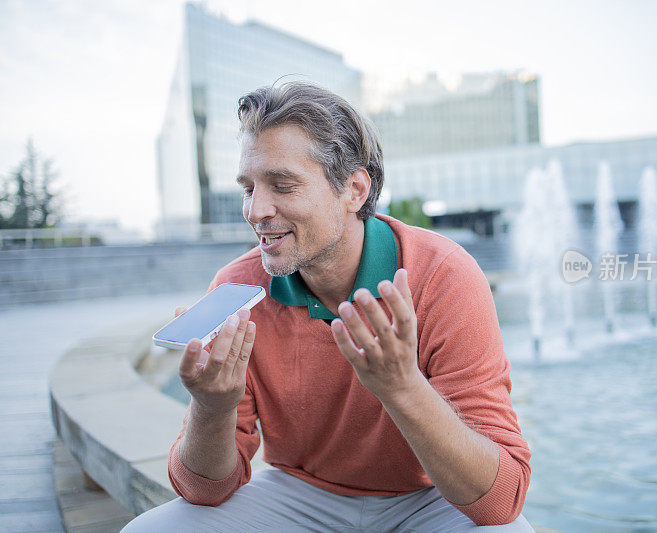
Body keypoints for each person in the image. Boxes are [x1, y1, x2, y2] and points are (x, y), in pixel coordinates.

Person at [123, 82, 533, 532]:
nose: (256, 210)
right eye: (249, 187)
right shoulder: (238, 287)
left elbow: (501, 502)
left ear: (354, 189)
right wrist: (212, 406)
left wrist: (401, 387)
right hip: (301, 494)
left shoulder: (444, 276)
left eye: (282, 185)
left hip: (428, 498)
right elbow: (205, 491)